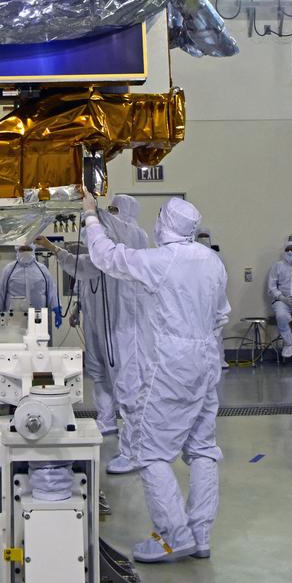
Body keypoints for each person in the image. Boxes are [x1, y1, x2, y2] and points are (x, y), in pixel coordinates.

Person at [82, 191, 230, 564]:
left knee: (150, 452)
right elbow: (220, 316)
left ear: (166, 224)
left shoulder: (163, 261)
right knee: (202, 448)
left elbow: (107, 257)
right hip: (206, 359)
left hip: (172, 366)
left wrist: (90, 216)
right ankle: (200, 533)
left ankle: (174, 536)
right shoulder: (212, 262)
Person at [38, 234, 118, 435]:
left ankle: (129, 427)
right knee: (98, 373)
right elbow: (83, 285)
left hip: (116, 328)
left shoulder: (114, 261)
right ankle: (107, 420)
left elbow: (77, 265)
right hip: (93, 327)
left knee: (118, 376)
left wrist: (50, 246)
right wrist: (76, 310)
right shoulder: (92, 263)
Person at [100, 195, 154, 474]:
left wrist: (89, 209)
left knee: (131, 387)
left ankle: (134, 453)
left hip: (134, 328)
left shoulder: (135, 233)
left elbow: (112, 226)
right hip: (125, 324)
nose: (112, 214)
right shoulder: (124, 243)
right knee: (126, 385)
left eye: (115, 209)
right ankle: (135, 448)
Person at [0, 240, 61, 328]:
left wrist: (57, 309)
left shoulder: (42, 269)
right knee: (15, 340)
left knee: (38, 340)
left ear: (33, 249)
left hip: (38, 317)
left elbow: (52, 291)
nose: (26, 251)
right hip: (14, 318)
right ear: (17, 250)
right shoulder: (9, 269)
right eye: (23, 249)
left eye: (28, 249)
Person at [197, 228, 228, 370]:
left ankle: (219, 360)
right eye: (200, 236)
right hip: (196, 299)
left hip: (213, 298)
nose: (203, 239)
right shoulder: (191, 254)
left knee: (217, 331)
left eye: (205, 236)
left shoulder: (216, 256)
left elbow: (222, 277)